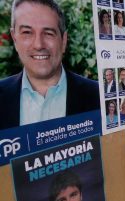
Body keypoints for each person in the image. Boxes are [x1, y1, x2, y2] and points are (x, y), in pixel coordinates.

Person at [0, 0, 99, 130]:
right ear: (14, 39)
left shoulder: (99, 98)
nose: (38, 45)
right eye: (27, 32)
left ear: (63, 41)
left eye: (48, 33)